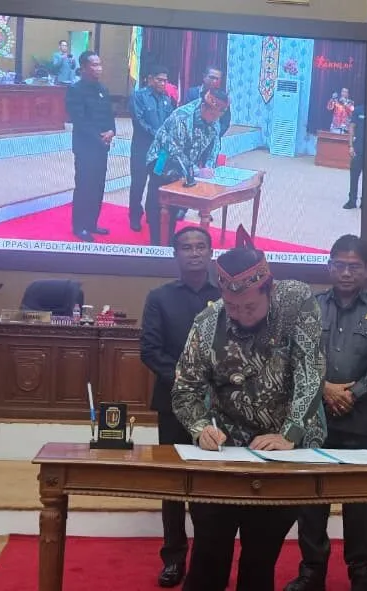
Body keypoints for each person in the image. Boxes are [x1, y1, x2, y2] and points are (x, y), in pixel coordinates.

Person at [172, 226, 327, 591]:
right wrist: (200, 427)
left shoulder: (296, 301)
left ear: (268, 290)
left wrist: (290, 434)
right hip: (225, 452)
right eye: (232, 306)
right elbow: (185, 389)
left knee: (260, 555)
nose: (240, 315)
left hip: (284, 449)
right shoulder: (208, 322)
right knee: (209, 552)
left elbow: (310, 372)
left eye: (250, 307)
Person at [286, 235, 367, 591]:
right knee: (312, 499)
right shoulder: (310, 307)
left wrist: (352, 393)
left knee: (362, 501)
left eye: (354, 266)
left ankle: (362, 572)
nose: (346, 273)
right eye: (339, 265)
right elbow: (294, 356)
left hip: (361, 420)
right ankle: (312, 571)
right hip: (314, 417)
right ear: (329, 266)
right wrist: (324, 389)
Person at [139, 227, 220, 588]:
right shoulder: (160, 297)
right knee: (173, 483)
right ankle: (173, 558)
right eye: (186, 247)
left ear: (211, 253)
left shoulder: (225, 296)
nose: (194, 252)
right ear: (176, 254)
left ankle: (208, 558)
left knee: (211, 483)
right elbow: (150, 351)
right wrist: (187, 382)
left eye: (201, 246)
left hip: (219, 405)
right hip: (173, 403)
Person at [144, 88, 230, 246]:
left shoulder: (215, 119)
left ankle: (168, 241)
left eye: (218, 116)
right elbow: (175, 151)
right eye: (213, 115)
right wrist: (197, 171)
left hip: (185, 166)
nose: (215, 119)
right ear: (204, 107)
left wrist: (209, 168)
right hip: (162, 159)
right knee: (158, 203)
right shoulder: (182, 117)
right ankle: (157, 245)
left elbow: (214, 146)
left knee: (173, 206)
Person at [65, 51, 114, 243]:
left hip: (102, 147)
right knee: (84, 186)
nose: (98, 68)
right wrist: (99, 137)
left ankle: (92, 223)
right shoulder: (75, 90)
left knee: (98, 186)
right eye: (94, 65)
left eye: (99, 64)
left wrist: (111, 131)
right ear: (84, 68)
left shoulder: (103, 89)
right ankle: (80, 227)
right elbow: (79, 120)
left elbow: (109, 114)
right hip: (86, 147)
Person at [129, 64, 176, 232]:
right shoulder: (138, 96)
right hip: (142, 148)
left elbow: (171, 121)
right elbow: (138, 121)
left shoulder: (167, 99)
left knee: (156, 182)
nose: (163, 83)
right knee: (138, 183)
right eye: (159, 80)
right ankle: (134, 216)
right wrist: (158, 134)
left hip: (161, 151)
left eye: (165, 80)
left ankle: (152, 214)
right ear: (150, 79)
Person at [184, 66, 232, 137]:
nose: (214, 81)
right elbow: (186, 115)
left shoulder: (222, 98)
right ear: (204, 77)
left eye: (217, 79)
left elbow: (225, 122)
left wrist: (214, 134)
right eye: (212, 77)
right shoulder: (192, 93)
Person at [345, 103, 366, 210]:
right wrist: (351, 146)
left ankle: (365, 202)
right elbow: (352, 127)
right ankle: (352, 201)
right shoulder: (358, 110)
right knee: (354, 176)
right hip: (358, 148)